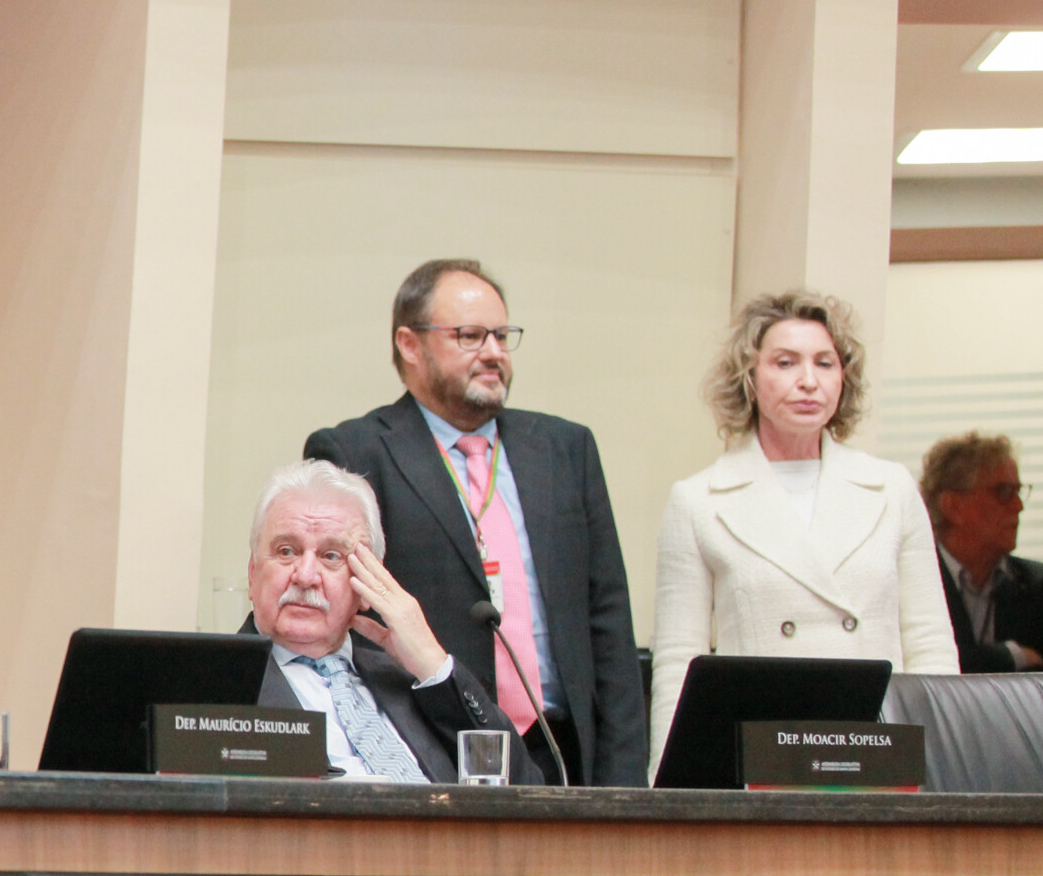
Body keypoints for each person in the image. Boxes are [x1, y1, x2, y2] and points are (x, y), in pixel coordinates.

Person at [302, 258, 643, 786]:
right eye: (470, 336)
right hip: (430, 744)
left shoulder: (565, 449)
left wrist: (625, 782)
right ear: (410, 345)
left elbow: (608, 624)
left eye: (502, 336)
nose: (494, 353)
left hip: (563, 747)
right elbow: (344, 618)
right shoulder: (355, 450)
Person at [646, 291, 959, 770]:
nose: (808, 382)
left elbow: (930, 643)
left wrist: (944, 766)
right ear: (749, 377)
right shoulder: (698, 499)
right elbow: (678, 662)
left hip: (878, 750)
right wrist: (666, 787)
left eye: (826, 363)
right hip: (760, 752)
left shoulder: (891, 488)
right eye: (786, 363)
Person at [243, 459, 537, 784]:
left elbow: (523, 790)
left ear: (370, 584)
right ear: (253, 573)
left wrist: (432, 665)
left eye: (331, 556)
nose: (306, 576)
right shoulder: (216, 686)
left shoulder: (414, 685)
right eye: (286, 551)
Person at [921, 431, 1043, 672]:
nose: (1019, 506)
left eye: (1018, 492)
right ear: (953, 507)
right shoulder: (915, 581)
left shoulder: (1036, 585)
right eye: (1004, 492)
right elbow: (927, 669)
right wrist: (1012, 655)